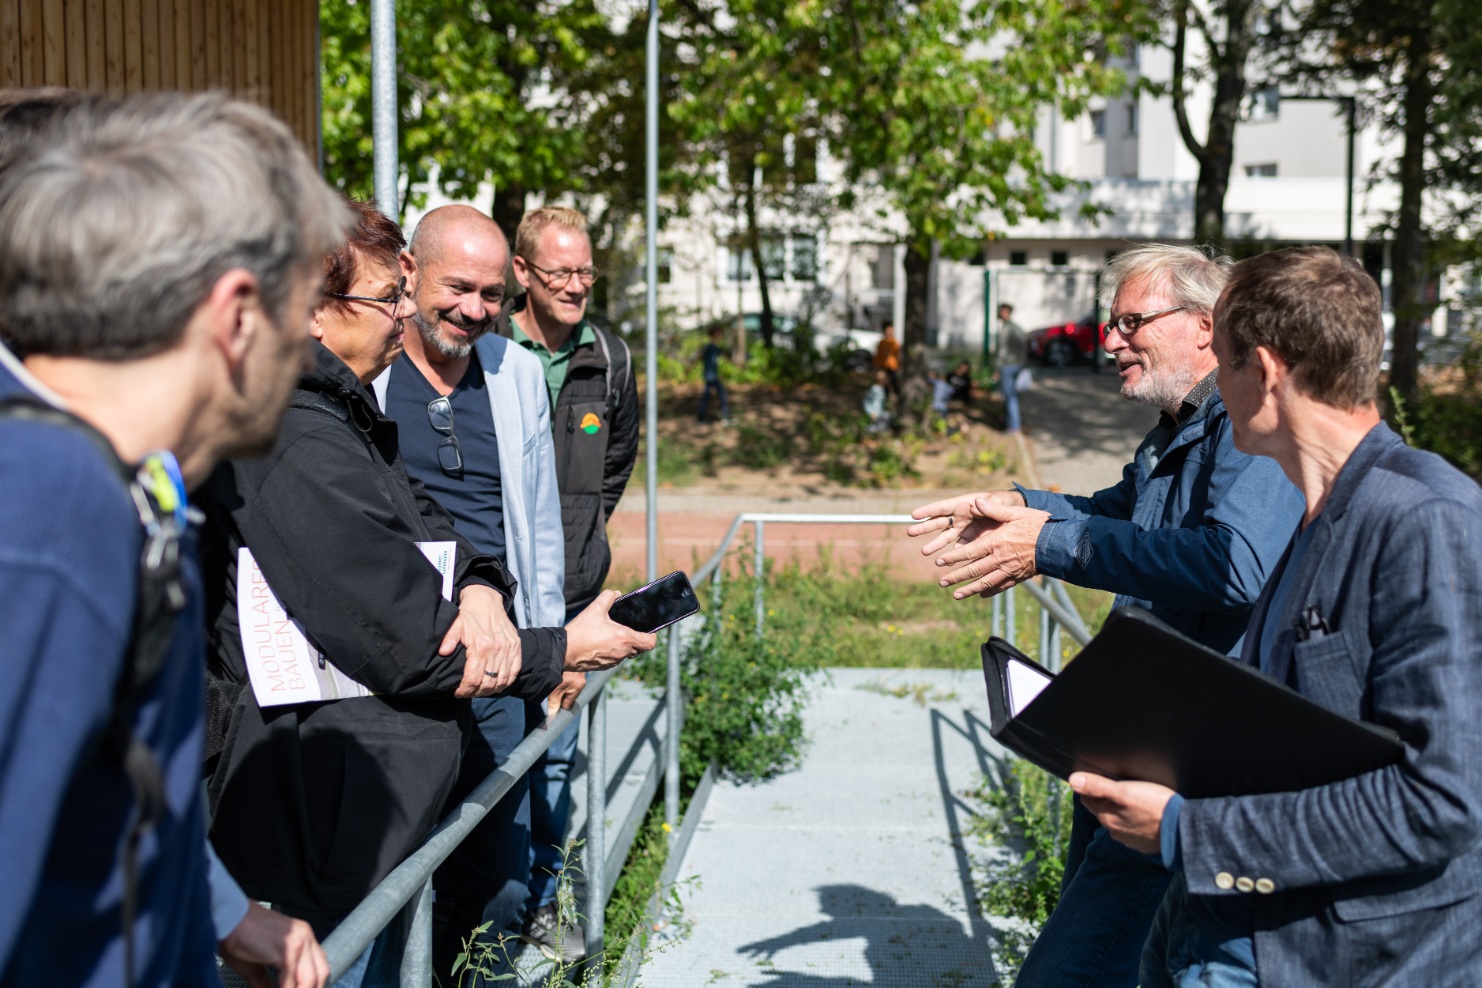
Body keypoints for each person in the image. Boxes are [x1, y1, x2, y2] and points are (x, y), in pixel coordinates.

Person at [199, 199, 655, 986]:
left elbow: (429, 515)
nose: (401, 313)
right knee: (356, 950)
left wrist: (482, 587)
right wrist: (567, 646)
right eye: (387, 298)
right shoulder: (292, 435)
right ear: (313, 311)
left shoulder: (340, 412)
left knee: (485, 878)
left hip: (383, 766)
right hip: (313, 796)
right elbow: (407, 637)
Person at [0, 91, 344, 988]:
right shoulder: (48, 509)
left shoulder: (125, 489)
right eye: (301, 311)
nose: (309, 349)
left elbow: (102, 782)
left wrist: (221, 913)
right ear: (236, 316)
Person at [1075, 246, 1482, 987]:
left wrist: (1182, 832)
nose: (1211, 397)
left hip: (1339, 956)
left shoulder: (1424, 519)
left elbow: (1442, 801)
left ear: (1261, 372)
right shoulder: (1316, 513)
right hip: (1231, 927)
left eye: (1220, 368)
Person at [906, 244, 1304, 988]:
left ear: (1204, 326)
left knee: (1081, 966)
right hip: (1137, 739)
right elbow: (1120, 516)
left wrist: (1053, 545)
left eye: (1130, 322)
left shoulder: (1246, 425)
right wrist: (1021, 508)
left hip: (1191, 761)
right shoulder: (1177, 426)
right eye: (1108, 323)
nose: (1110, 341)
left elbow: (1231, 564)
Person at [373, 203, 568, 969]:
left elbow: (541, 521)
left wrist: (556, 649)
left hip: (501, 665)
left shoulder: (515, 373)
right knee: (394, 866)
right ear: (409, 272)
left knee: (498, 877)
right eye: (459, 288)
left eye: (492, 295)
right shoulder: (368, 374)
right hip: (396, 667)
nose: (474, 310)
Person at [497, 205, 642, 959]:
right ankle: (486, 911)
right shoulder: (486, 348)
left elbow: (615, 465)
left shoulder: (609, 359)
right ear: (522, 273)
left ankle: (544, 905)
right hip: (496, 601)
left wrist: (578, 540)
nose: (578, 285)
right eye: (561, 273)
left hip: (576, 595)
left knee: (555, 760)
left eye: (587, 271)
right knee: (487, 758)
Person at [994, 303, 1027, 433]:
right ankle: (1011, 422)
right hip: (1017, 365)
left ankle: (1013, 425)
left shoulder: (1007, 329)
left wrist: (997, 368)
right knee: (1011, 395)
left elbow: (1002, 351)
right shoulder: (1016, 328)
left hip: (1008, 365)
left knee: (1009, 396)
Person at [698, 325, 731, 424]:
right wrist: (689, 366)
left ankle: (701, 418)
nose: (720, 334)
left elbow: (725, 356)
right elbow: (700, 356)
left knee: (707, 396)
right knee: (721, 393)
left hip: (711, 375)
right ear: (715, 334)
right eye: (719, 332)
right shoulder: (710, 346)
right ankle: (725, 417)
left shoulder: (715, 347)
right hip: (710, 375)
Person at [873, 320, 901, 400]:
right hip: (883, 366)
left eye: (891, 329)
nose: (890, 331)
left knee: (894, 383)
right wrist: (876, 366)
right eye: (888, 329)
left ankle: (897, 398)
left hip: (893, 367)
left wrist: (899, 365)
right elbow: (878, 355)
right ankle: (885, 399)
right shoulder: (882, 342)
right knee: (883, 384)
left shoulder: (895, 342)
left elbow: (897, 355)